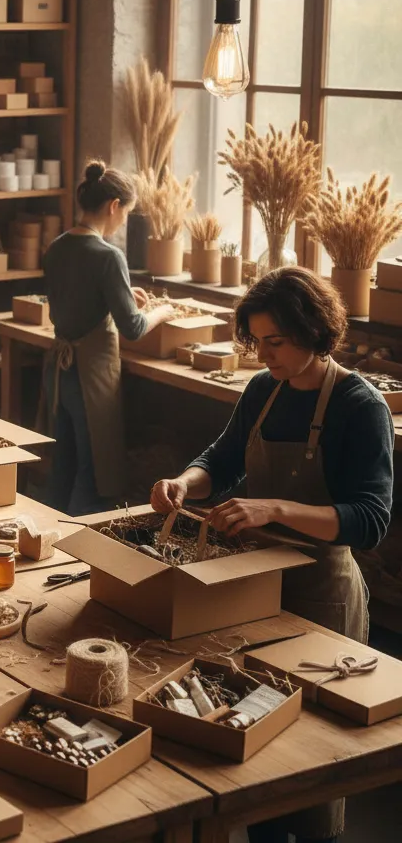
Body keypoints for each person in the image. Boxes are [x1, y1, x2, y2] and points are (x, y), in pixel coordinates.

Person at [150, 266, 393, 843]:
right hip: (257, 585)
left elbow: (371, 520)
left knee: (314, 757)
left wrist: (275, 509)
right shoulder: (264, 389)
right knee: (255, 739)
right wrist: (185, 481)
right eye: (256, 341)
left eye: (276, 342)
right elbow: (224, 457)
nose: (264, 355)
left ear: (314, 331)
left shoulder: (361, 406)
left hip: (322, 594)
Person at [42, 160, 175, 514]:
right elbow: (132, 328)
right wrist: (162, 313)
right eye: (127, 213)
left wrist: (122, 295)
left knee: (63, 464)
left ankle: (43, 539)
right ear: (114, 206)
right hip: (92, 373)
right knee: (96, 469)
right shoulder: (108, 256)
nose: (123, 222)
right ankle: (80, 547)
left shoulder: (57, 246)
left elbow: (74, 301)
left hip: (61, 371)